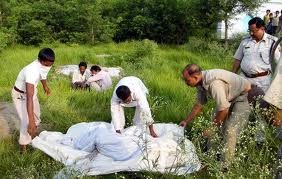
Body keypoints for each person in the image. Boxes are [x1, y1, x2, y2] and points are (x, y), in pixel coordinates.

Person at [179, 64, 252, 168]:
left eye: (187, 80)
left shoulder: (214, 84)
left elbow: (224, 109)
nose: (186, 83)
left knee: (230, 130)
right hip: (226, 99)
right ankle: (210, 157)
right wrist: (186, 121)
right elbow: (198, 105)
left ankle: (224, 166)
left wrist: (212, 128)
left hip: (240, 97)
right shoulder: (200, 83)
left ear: (195, 77)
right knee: (215, 126)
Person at [11, 48, 55, 152]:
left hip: (32, 91)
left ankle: (32, 133)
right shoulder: (31, 71)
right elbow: (29, 99)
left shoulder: (46, 63)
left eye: (51, 64)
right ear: (41, 61)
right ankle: (23, 147)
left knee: (36, 117)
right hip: (20, 95)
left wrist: (45, 86)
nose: (49, 66)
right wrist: (30, 122)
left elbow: (43, 74)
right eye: (48, 65)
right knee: (26, 121)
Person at [233, 17, 280, 93]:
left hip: (262, 82)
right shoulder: (245, 41)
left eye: (254, 31)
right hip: (244, 79)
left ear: (262, 28)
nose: (251, 33)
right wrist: (232, 75)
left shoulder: (273, 42)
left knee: (260, 103)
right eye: (249, 31)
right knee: (241, 102)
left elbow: (278, 63)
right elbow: (238, 60)